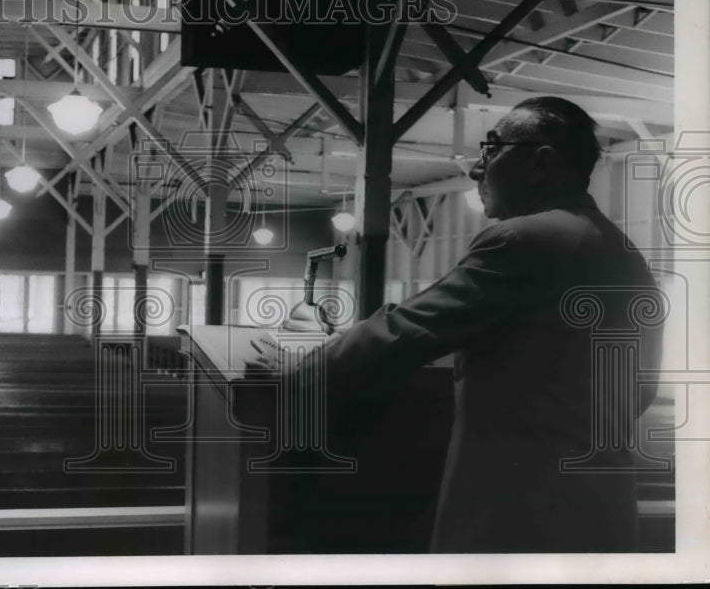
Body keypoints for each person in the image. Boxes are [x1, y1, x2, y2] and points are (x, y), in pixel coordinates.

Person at [249, 96, 664, 553]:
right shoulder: (624, 255)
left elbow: (407, 331)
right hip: (598, 508)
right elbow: (633, 392)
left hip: (521, 514)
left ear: (539, 163)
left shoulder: (526, 238)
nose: (475, 170)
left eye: (491, 149)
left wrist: (303, 366)